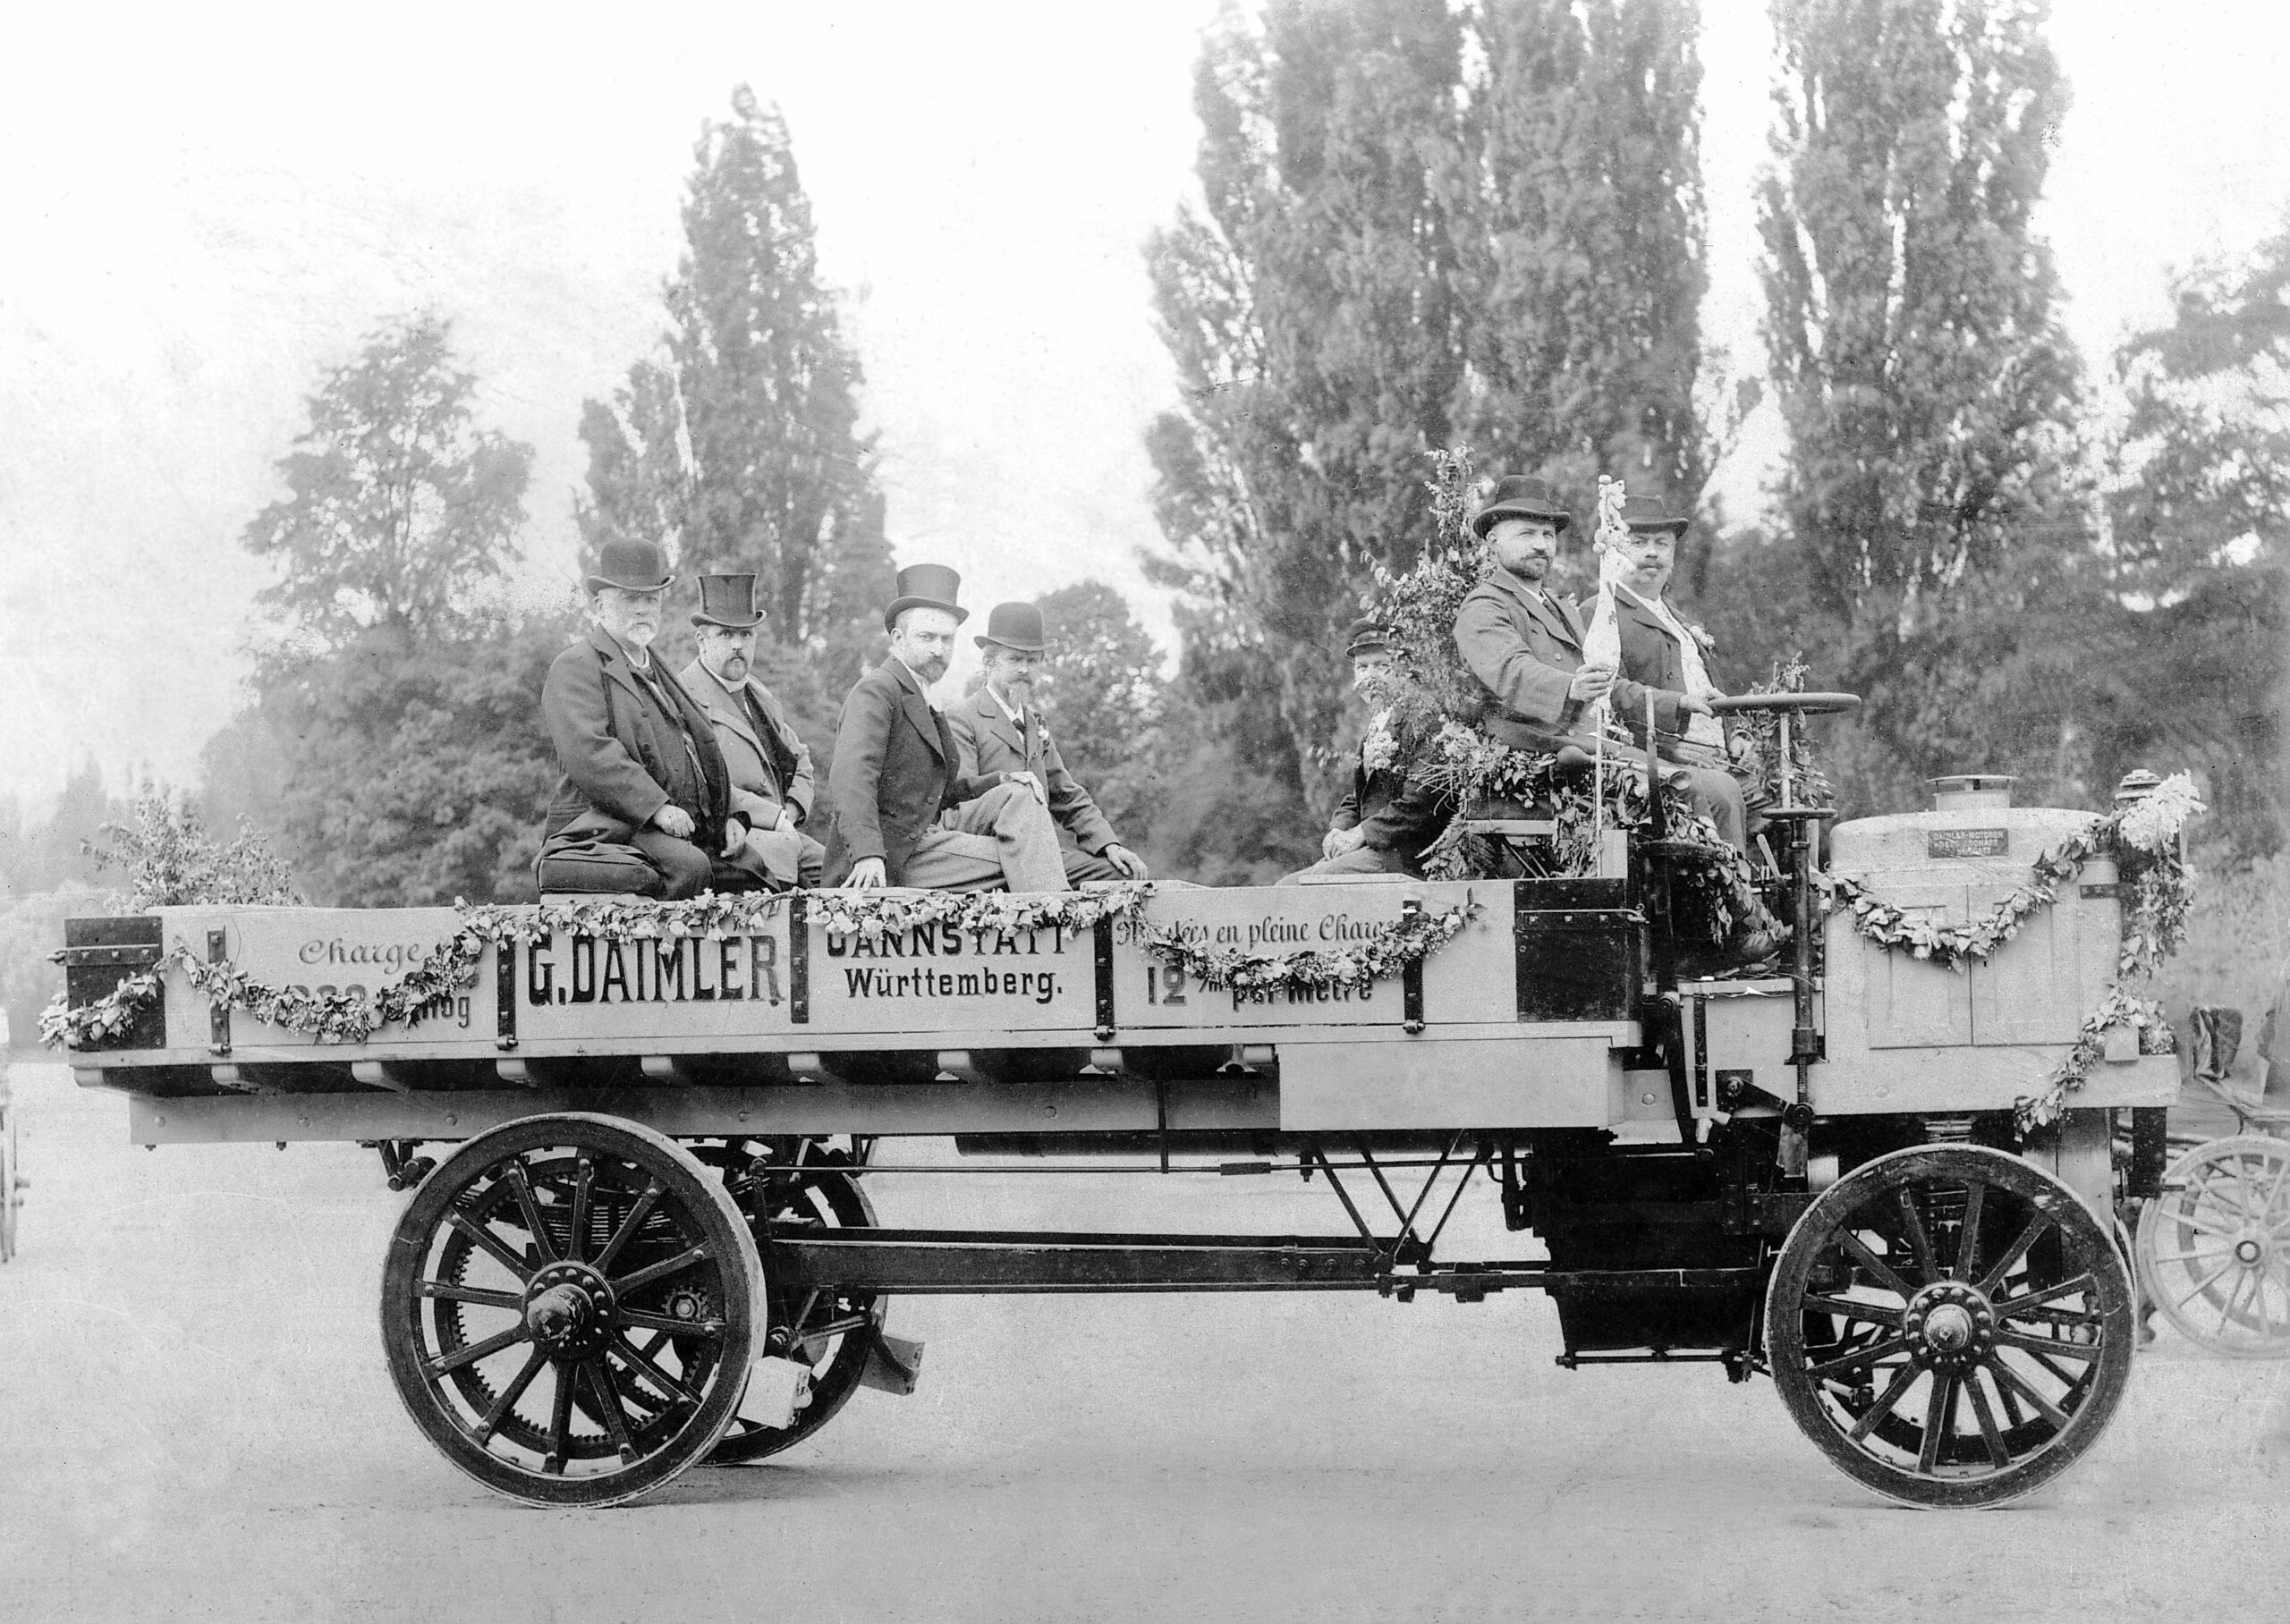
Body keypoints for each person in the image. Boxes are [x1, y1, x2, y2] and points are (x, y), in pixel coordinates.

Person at [1452, 474, 1746, 852]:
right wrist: (1569, 687)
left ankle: (1724, 901)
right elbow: (1510, 670)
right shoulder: (1485, 606)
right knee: (1695, 790)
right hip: (1542, 751)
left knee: (1720, 788)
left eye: (1548, 535)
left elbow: (1608, 685)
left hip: (1592, 743)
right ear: (1493, 541)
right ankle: (1712, 905)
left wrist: (1673, 704)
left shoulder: (1559, 607)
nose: (1541, 545)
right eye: (1527, 534)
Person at [819, 564, 1070, 892]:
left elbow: (943, 794)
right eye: (926, 637)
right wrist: (868, 855)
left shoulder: (922, 698)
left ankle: (1052, 910)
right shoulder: (879, 689)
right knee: (1023, 858)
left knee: (1022, 793)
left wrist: (1004, 779)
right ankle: (1060, 924)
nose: (938, 649)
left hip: (925, 836)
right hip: (892, 855)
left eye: (946, 639)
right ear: (898, 638)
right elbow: (851, 777)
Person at [538, 540, 751, 899]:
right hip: (605, 828)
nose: (642, 610)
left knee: (752, 871)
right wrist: (657, 809)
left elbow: (700, 753)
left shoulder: (658, 666)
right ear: (600, 605)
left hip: (675, 829)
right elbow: (591, 754)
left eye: (651, 600)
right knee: (690, 868)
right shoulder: (577, 666)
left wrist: (734, 815)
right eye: (629, 599)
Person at [1604, 491, 1772, 845]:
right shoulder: (1603, 612)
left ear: (1674, 557)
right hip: (1665, 763)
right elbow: (1609, 693)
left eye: (1662, 544)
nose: (1652, 552)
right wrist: (1665, 746)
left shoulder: (1679, 619)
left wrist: (1735, 734)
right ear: (1615, 550)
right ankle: (1736, 898)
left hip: (1721, 760)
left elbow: (1708, 689)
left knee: (1790, 809)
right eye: (1638, 542)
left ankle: (1795, 899)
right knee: (1725, 800)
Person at [946, 602, 1149, 885]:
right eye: (1015, 660)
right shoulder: (962, 718)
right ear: (989, 663)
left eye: (1033, 661)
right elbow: (962, 799)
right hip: (988, 858)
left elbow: (1066, 795)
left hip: (1041, 855)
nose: (1024, 670)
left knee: (1118, 875)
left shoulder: (1034, 725)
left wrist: (1109, 845)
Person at [676, 572, 826, 891]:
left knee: (845, 874)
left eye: (746, 635)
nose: (737, 645)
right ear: (702, 641)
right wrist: (771, 817)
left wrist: (789, 812)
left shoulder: (760, 697)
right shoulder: (683, 697)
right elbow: (695, 781)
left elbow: (802, 762)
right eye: (726, 634)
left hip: (781, 829)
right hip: (726, 835)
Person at [1279, 619, 1453, 883]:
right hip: (1371, 850)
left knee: (1300, 888)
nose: (1369, 676)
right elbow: (1360, 796)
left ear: (1402, 669)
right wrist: (1339, 829)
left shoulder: (1423, 719)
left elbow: (1421, 802)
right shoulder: (1378, 722)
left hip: (1404, 854)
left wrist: (1361, 833)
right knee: (1285, 886)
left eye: (1381, 666)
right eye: (1362, 667)